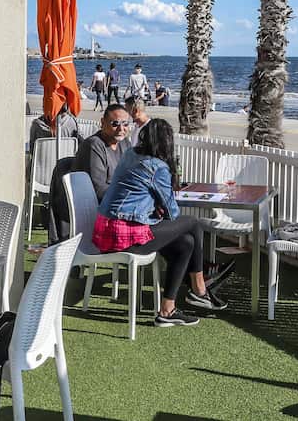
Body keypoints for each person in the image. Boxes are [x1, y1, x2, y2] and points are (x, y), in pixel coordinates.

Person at [96, 119, 227, 326]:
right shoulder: (156, 167)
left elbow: (138, 194)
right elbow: (172, 212)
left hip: (106, 230)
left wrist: (156, 207)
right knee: (192, 223)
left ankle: (167, 311)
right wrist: (162, 206)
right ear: (167, 142)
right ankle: (200, 289)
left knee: (186, 243)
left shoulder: (131, 154)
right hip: (123, 235)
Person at [74, 104, 132, 200]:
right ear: (103, 122)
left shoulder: (125, 143)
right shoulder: (94, 145)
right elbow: (98, 189)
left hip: (120, 198)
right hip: (97, 204)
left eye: (125, 124)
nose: (121, 129)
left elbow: (133, 174)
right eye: (115, 124)